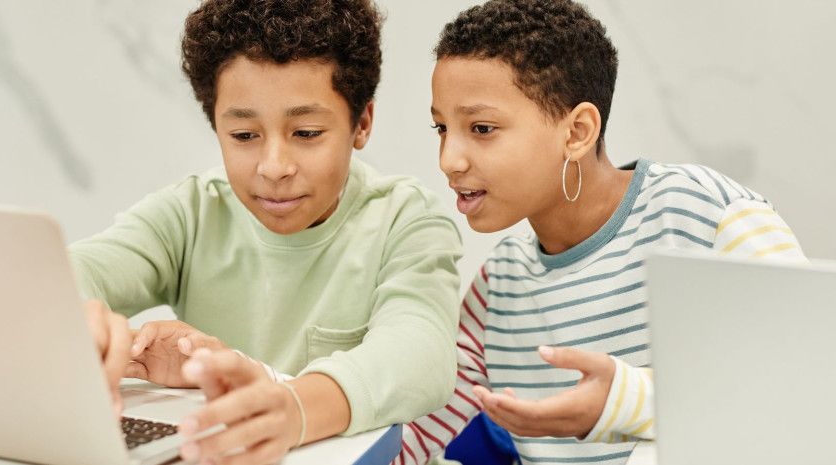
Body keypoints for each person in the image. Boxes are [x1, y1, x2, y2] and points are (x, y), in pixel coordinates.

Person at [397, 1, 806, 463]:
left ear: (577, 132)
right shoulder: (497, 289)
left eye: (482, 128)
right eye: (441, 128)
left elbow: (808, 386)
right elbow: (405, 442)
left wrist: (624, 401)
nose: (449, 160)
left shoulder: (710, 216)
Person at [75, 1, 464, 464]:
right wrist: (79, 318)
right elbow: (76, 270)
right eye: (244, 135)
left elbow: (421, 353)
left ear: (361, 123)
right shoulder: (191, 212)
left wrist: (294, 407)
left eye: (306, 133)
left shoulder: (406, 219)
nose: (274, 167)